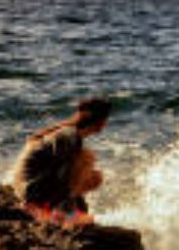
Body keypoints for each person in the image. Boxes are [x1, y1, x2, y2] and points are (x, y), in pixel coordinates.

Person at [11, 97, 111, 226]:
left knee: (94, 175)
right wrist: (69, 211)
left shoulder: (68, 132)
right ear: (100, 122)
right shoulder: (69, 137)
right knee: (86, 160)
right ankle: (45, 210)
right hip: (30, 190)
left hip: (27, 185)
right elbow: (63, 176)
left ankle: (53, 209)